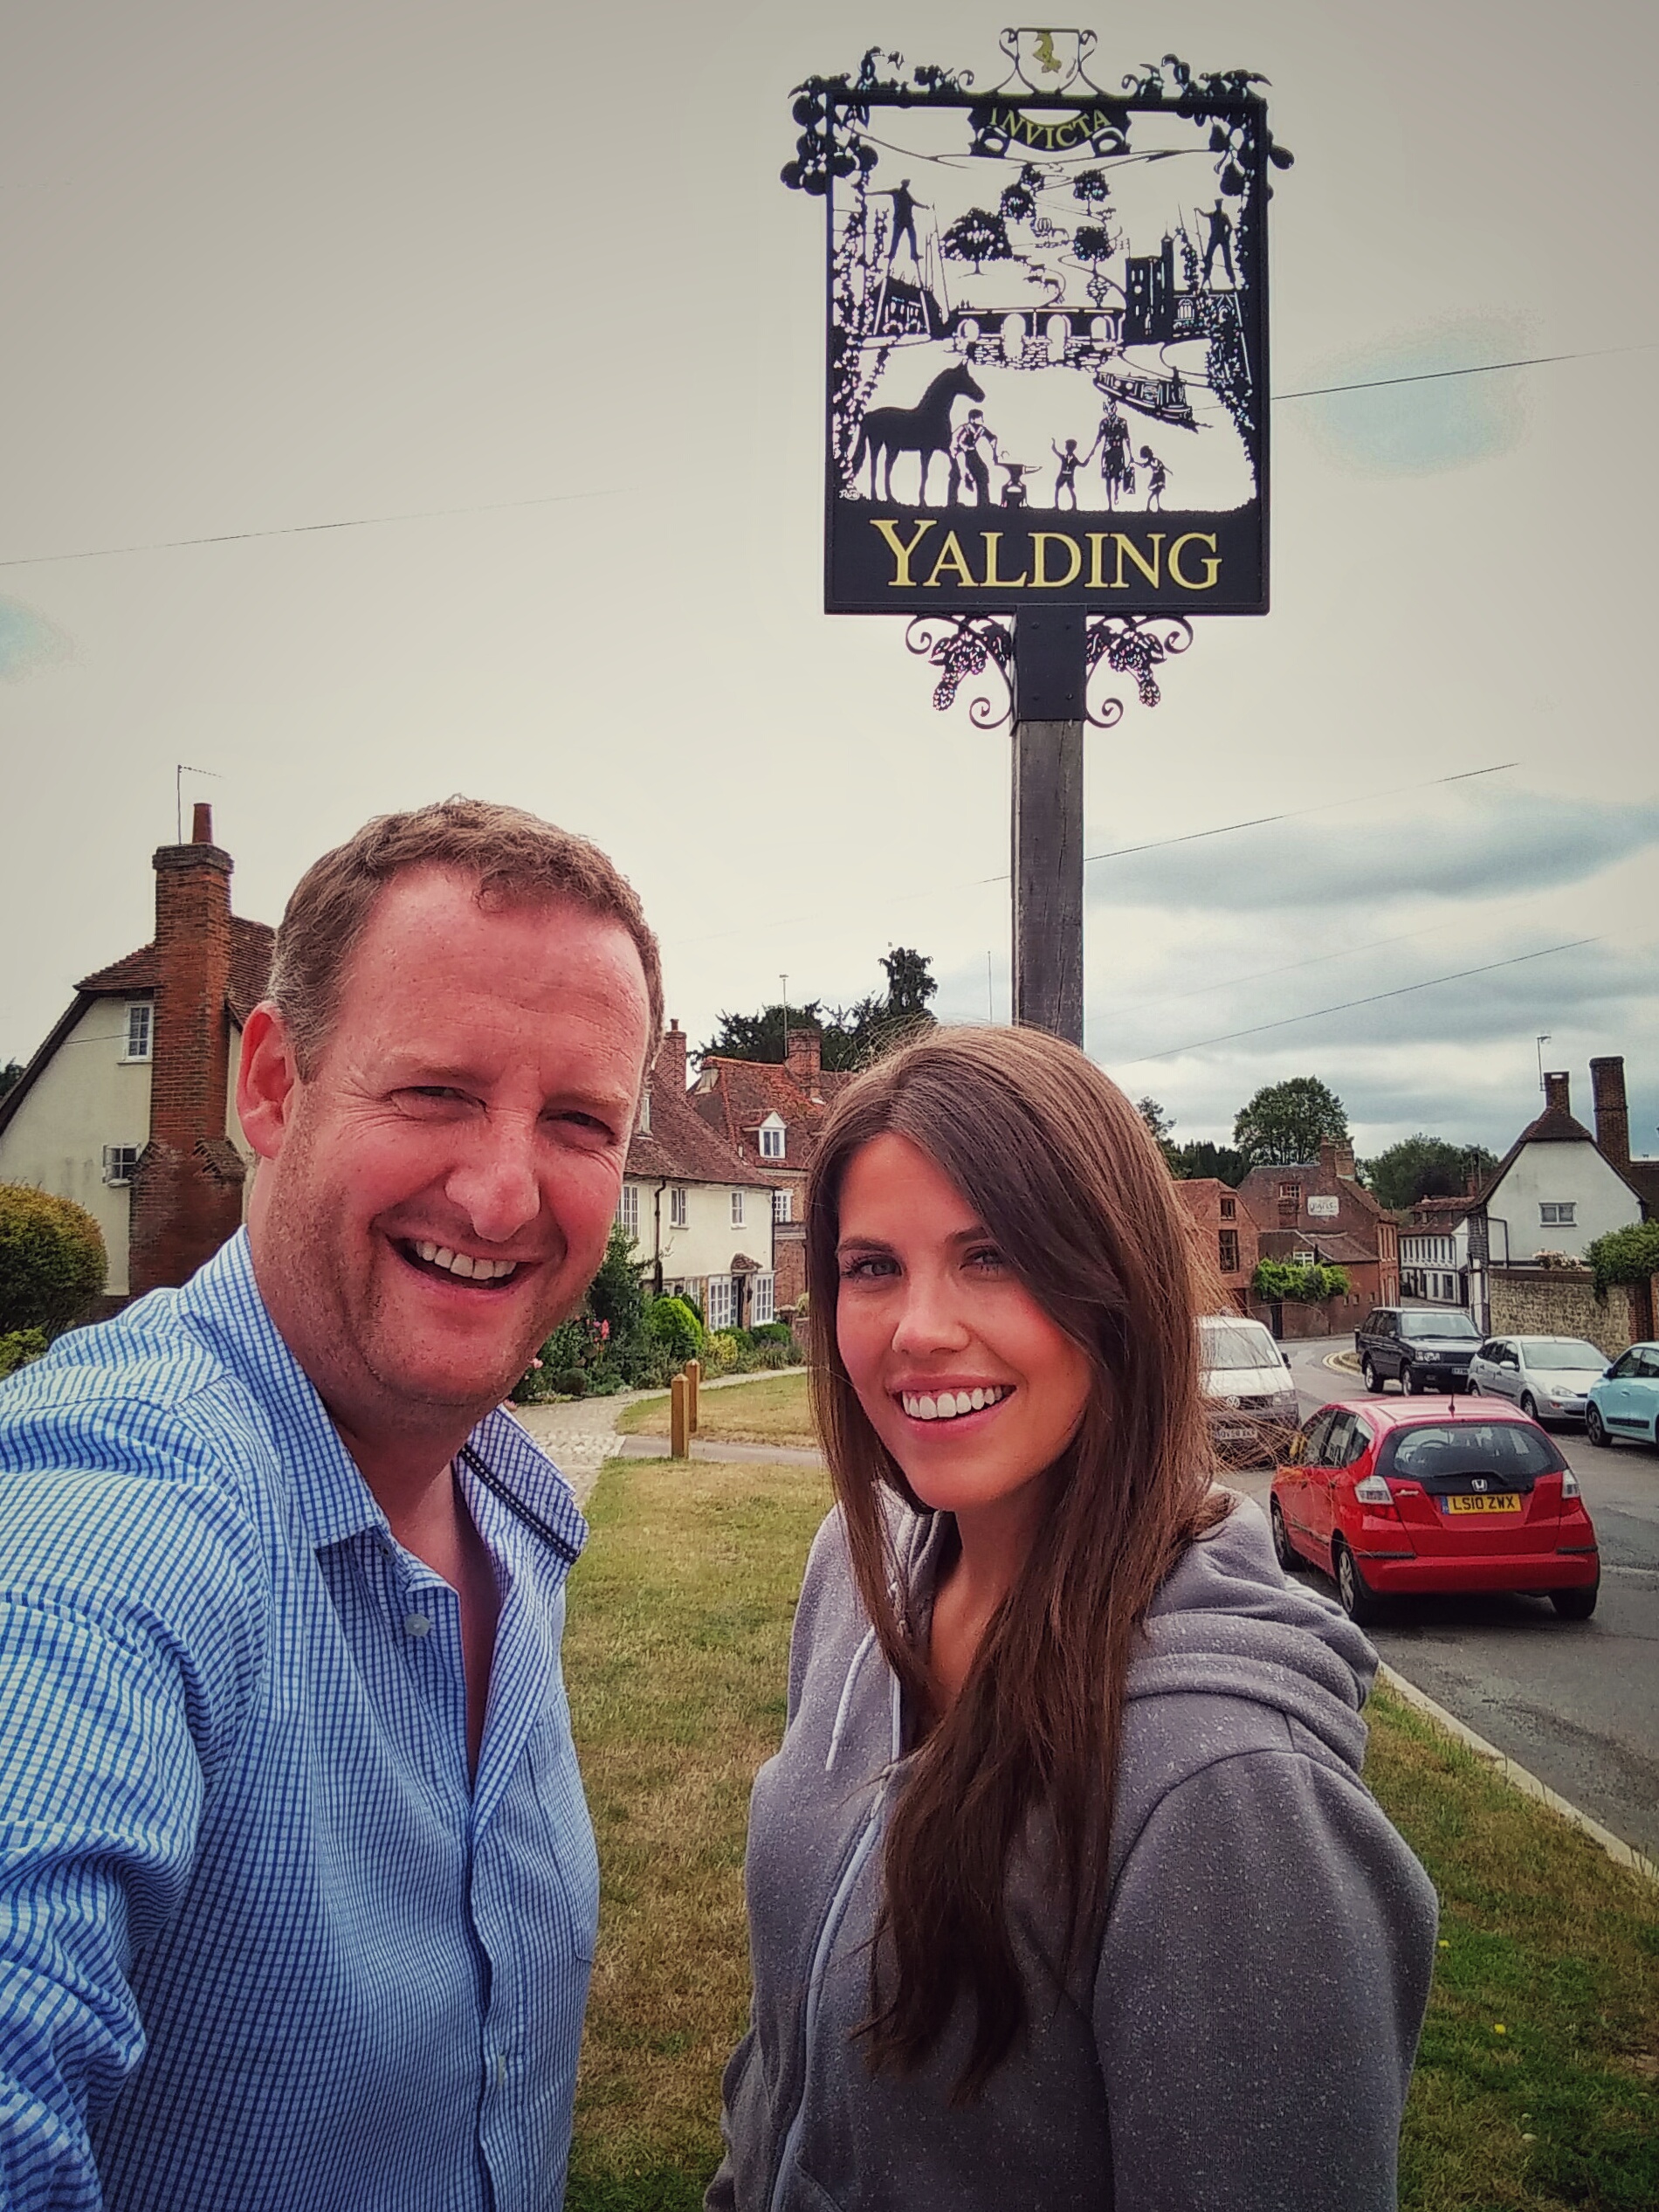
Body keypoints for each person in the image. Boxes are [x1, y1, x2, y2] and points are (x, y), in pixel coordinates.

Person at [0, 799, 661, 2212]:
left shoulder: (501, 1498)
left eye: (577, 1121)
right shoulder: (112, 1510)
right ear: (273, 1085)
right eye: (434, 1091)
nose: (499, 1192)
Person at [709, 1028, 1436, 2212]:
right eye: (872, 1266)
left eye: (991, 1255)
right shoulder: (851, 1578)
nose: (918, 1329)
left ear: (1117, 1285)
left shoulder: (1229, 1791)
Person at [947, 409, 998, 506]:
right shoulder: (965, 429)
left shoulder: (980, 429)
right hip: (957, 453)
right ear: (972, 419)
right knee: (956, 474)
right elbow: (958, 443)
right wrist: (964, 466)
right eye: (980, 418)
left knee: (982, 472)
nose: (982, 420)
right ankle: (952, 502)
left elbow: (992, 438)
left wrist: (994, 452)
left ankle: (984, 502)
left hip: (970, 452)